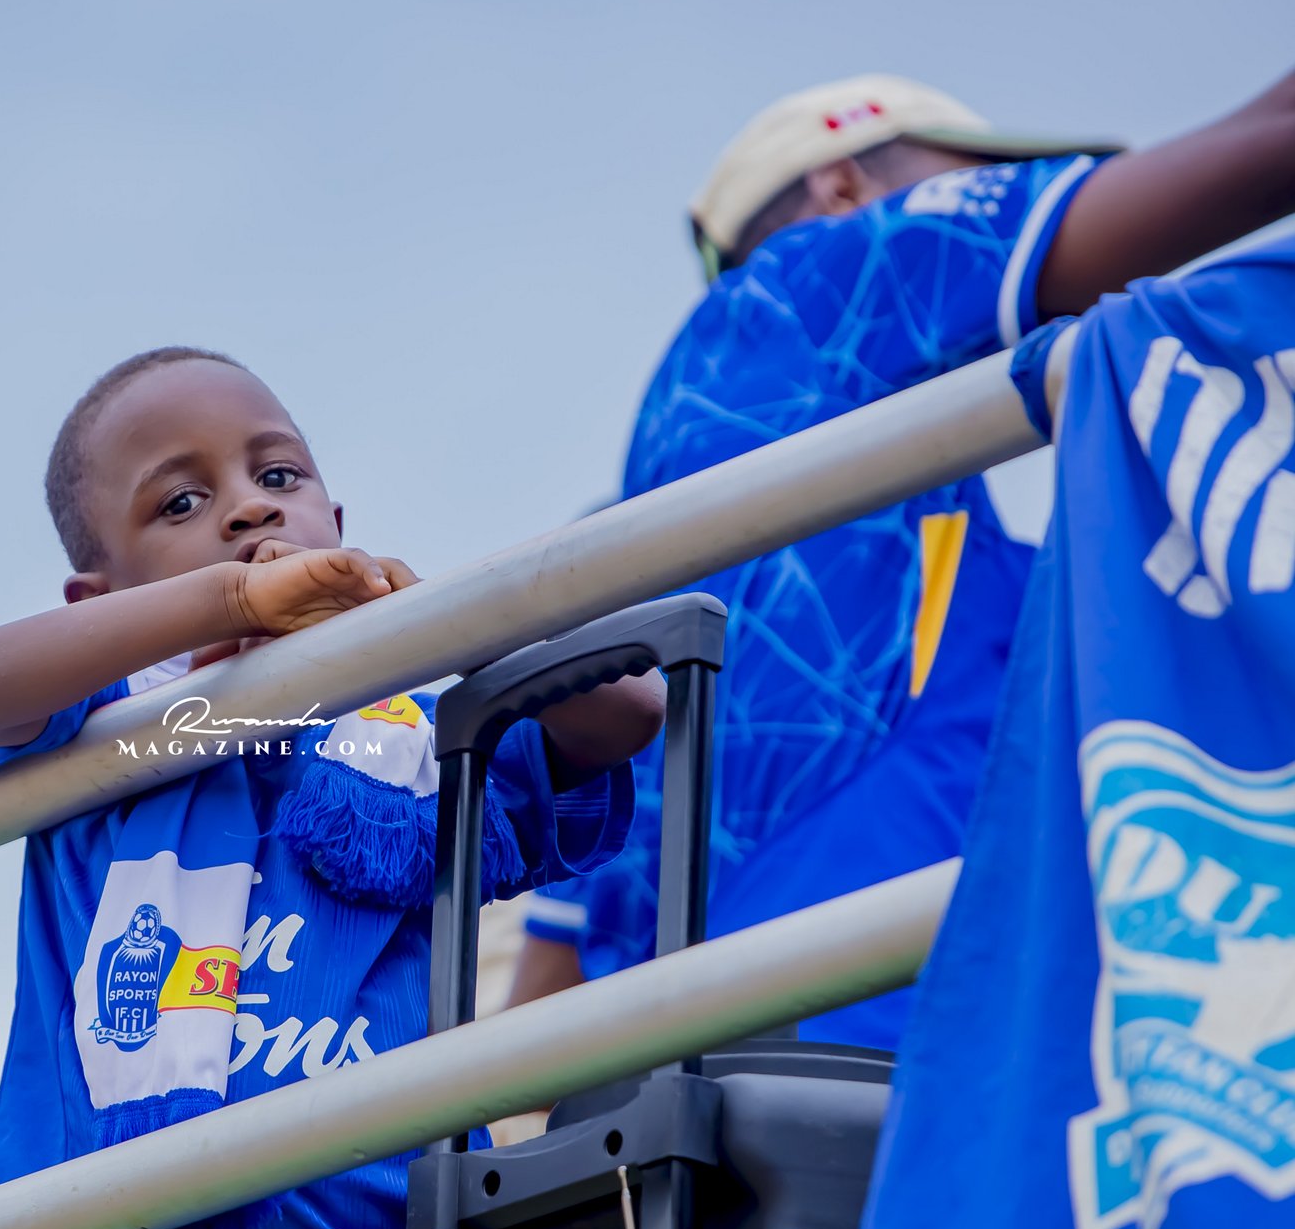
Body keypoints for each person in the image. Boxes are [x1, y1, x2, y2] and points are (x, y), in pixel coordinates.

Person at [512, 68, 1295, 1050]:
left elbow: (551, 956)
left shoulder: (653, 534)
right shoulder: (816, 286)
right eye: (973, 180)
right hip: (868, 1034)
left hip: (699, 1073)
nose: (1021, 200)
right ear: (843, 189)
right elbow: (1255, 149)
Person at [0, 346, 666, 1229]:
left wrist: (443, 619)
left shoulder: (417, 738)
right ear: (96, 602)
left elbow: (629, 709)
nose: (249, 509)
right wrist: (227, 598)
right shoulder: (101, 728)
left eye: (278, 476)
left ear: (338, 525)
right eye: (180, 503)